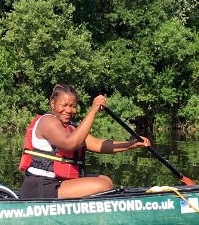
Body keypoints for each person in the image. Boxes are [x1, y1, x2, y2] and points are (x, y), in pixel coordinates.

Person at [19, 84, 151, 198]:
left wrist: (131, 144)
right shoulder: (47, 121)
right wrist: (93, 111)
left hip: (57, 184)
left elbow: (98, 144)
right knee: (103, 185)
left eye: (73, 106)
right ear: (52, 103)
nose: (69, 110)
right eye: (64, 105)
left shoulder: (71, 128)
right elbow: (70, 143)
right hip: (40, 188)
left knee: (105, 180)